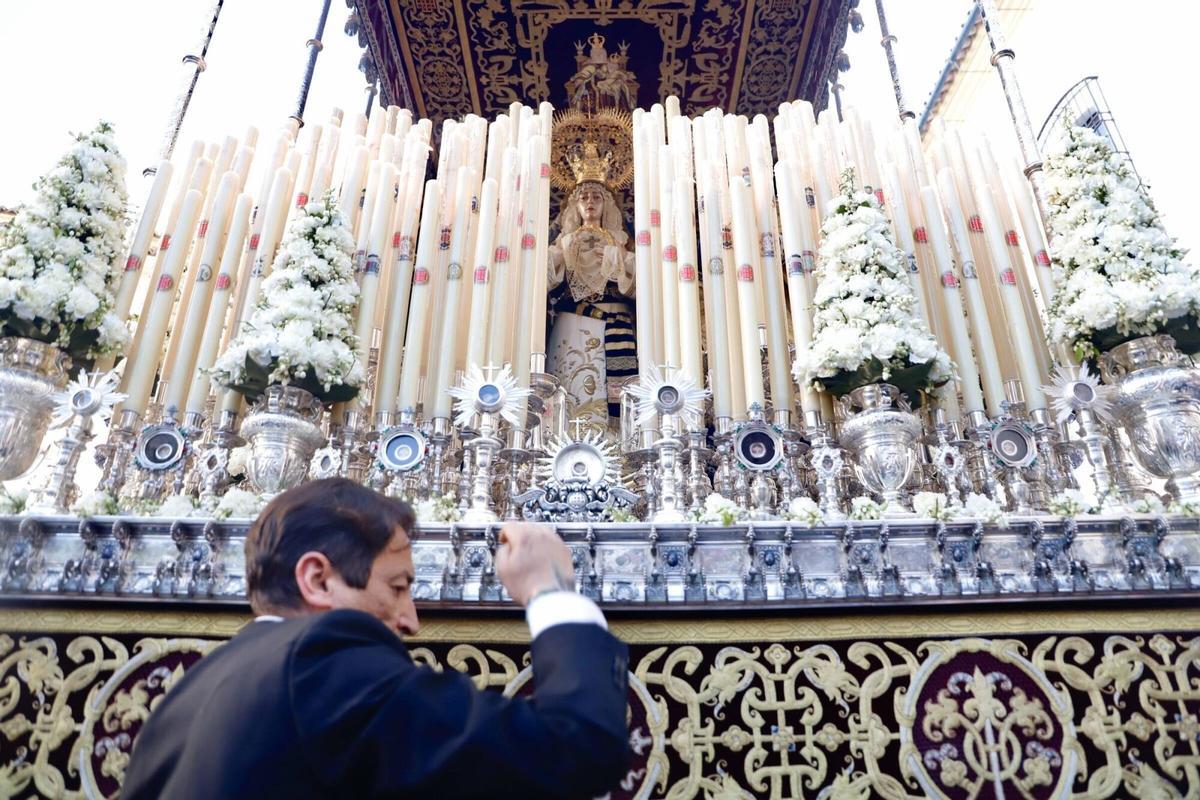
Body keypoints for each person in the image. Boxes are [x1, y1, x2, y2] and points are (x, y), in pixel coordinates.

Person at [121, 478, 630, 799]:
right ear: (318, 579)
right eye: (398, 587)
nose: (411, 620)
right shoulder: (323, 667)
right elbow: (575, 746)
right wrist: (550, 591)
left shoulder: (194, 689)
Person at [547, 148, 637, 436]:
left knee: (617, 408)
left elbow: (639, 281)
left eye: (596, 197)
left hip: (617, 330)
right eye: (583, 197)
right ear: (574, 205)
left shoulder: (621, 242)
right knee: (573, 404)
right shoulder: (564, 243)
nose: (590, 202)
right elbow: (546, 276)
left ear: (606, 205)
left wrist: (616, 258)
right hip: (575, 326)